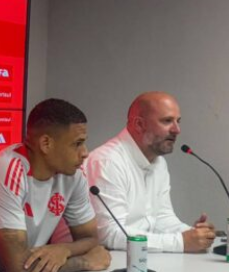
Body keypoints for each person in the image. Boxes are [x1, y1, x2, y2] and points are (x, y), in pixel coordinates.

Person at [0, 98, 110, 272]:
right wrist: (84, 262)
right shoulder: (7, 171)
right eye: (77, 144)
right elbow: (18, 268)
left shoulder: (73, 174)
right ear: (46, 143)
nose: (85, 152)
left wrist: (63, 249)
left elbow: (91, 239)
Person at [85, 91, 216, 253]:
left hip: (137, 257)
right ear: (139, 125)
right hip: (105, 264)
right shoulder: (107, 162)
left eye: (178, 121)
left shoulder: (159, 162)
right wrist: (180, 242)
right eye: (167, 121)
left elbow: (162, 218)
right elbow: (108, 234)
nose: (177, 130)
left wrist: (194, 235)